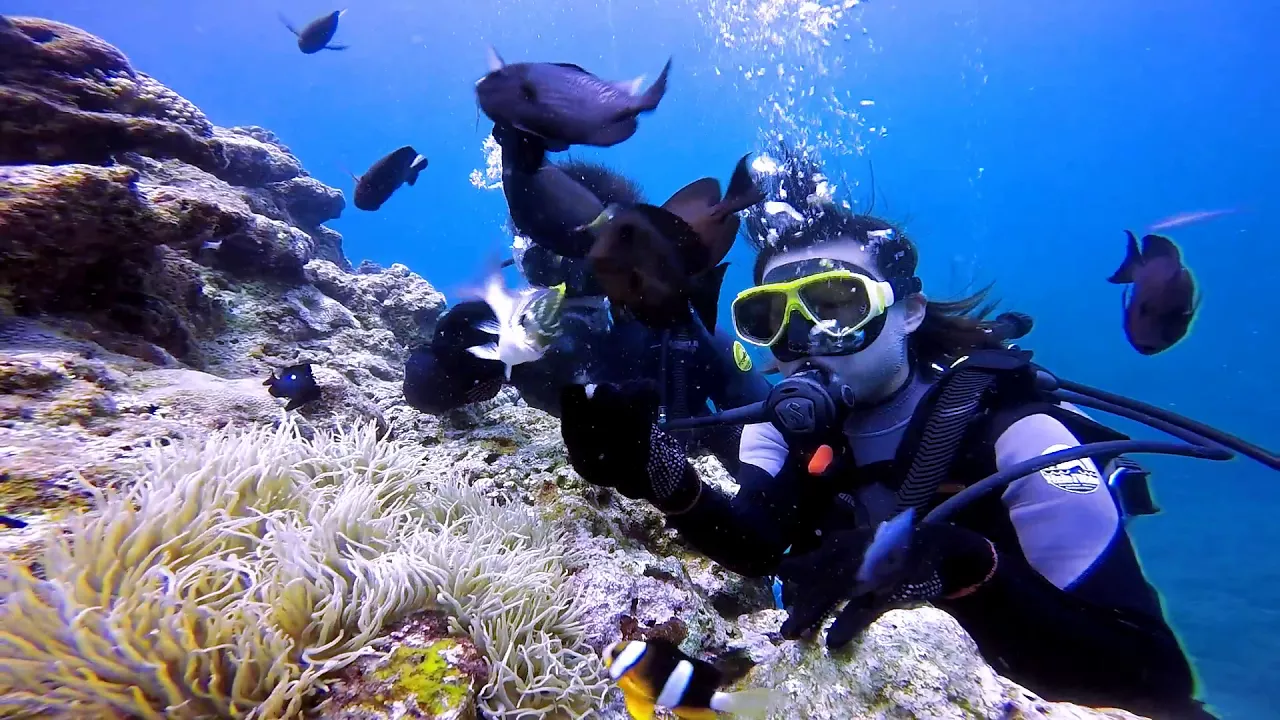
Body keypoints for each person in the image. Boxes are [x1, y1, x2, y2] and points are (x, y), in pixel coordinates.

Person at [558, 146, 1215, 719]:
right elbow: (755, 544)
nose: (805, 340)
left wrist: (959, 560)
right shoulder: (787, 430)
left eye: (838, 305)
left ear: (907, 313)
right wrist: (652, 471)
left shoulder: (1013, 436)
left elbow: (1155, 678)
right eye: (769, 316)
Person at [402, 130, 772, 470]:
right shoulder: (506, 328)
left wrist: (715, 446)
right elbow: (425, 392)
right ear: (524, 256)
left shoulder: (686, 345)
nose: (568, 285)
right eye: (547, 259)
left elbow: (777, 442)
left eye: (595, 268)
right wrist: (453, 354)